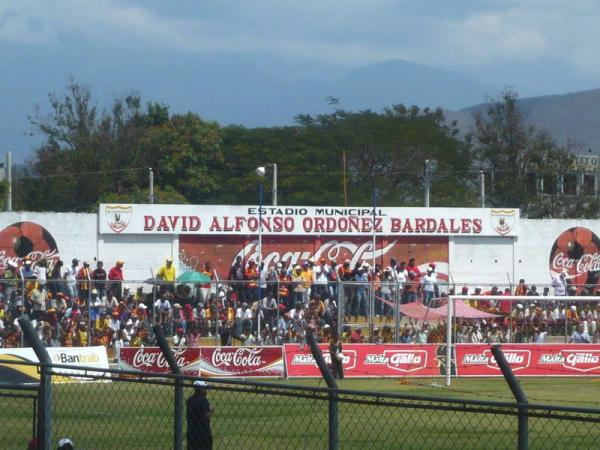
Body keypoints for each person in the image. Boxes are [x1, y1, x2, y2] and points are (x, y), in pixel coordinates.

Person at [187, 380, 213, 450]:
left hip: (192, 431)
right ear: (201, 389)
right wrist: (211, 411)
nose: (206, 390)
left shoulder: (190, 400)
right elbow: (205, 416)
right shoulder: (203, 401)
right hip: (203, 432)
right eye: (205, 389)